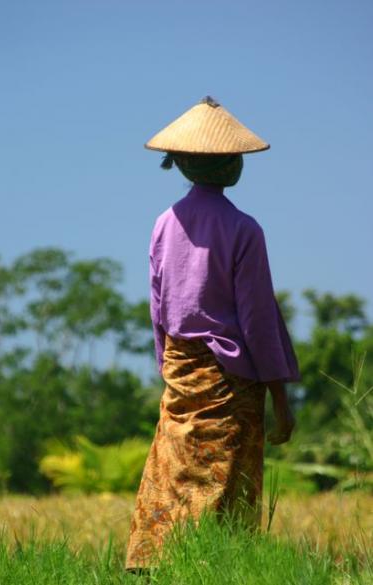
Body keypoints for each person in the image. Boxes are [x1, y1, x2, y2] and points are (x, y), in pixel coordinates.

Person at [125, 96, 300, 572]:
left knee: (174, 473)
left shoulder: (164, 224)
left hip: (181, 374)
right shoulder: (245, 229)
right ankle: (215, 572)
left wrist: (169, 369)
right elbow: (259, 320)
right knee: (228, 483)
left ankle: (154, 566)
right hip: (231, 381)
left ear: (181, 163)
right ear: (229, 164)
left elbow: (158, 309)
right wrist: (280, 396)